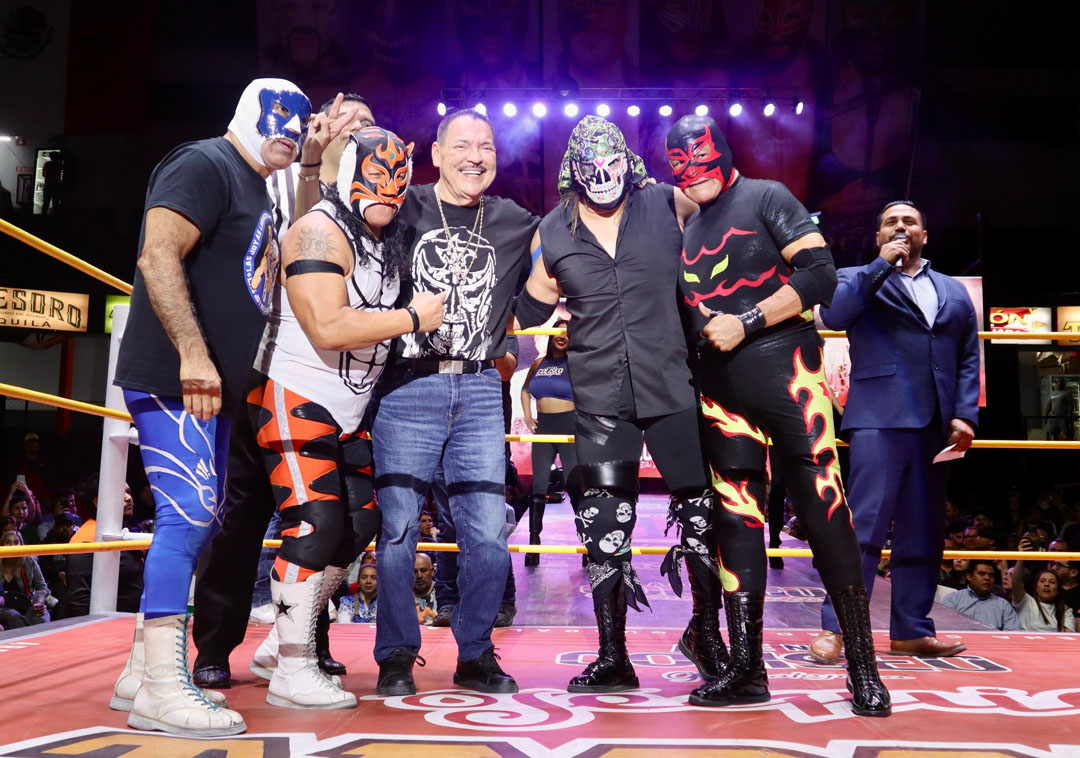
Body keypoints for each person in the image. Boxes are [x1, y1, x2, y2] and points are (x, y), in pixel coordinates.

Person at [108, 78, 312, 738]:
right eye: (281, 115)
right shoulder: (205, 162)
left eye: (302, 121)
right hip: (177, 379)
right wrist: (194, 356)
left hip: (213, 389)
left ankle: (142, 672)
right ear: (248, 107)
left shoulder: (259, 186)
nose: (292, 128)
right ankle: (164, 689)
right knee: (189, 516)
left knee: (198, 520)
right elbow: (157, 254)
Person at [666, 114, 889, 716]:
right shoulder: (683, 229)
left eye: (701, 154)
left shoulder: (766, 194)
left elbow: (820, 274)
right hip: (719, 394)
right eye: (678, 159)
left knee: (824, 513)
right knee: (737, 524)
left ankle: (863, 670)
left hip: (790, 375)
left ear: (723, 150)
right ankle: (746, 669)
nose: (692, 167)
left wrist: (748, 321)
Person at [515, 115, 728, 695]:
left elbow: (723, 221)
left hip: (670, 385)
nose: (605, 177)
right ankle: (614, 656)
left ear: (627, 162)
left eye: (613, 166)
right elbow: (529, 310)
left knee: (701, 514)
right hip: (600, 394)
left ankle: (707, 635)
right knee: (604, 527)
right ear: (574, 172)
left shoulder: (665, 202)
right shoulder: (553, 230)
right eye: (593, 170)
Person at [244, 125, 441, 710]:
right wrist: (411, 317)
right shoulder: (317, 232)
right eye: (376, 176)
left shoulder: (381, 237)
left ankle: (288, 640)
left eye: (399, 178)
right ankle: (293, 670)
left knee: (359, 525)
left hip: (350, 406)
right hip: (296, 393)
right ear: (346, 173)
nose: (389, 189)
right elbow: (327, 326)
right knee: (315, 525)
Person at [190, 93, 368, 690]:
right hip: (270, 370)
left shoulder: (384, 189)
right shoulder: (290, 171)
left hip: (345, 385)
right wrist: (314, 162)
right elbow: (303, 238)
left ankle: (301, 641)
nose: (362, 129)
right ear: (321, 124)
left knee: (338, 518)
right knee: (245, 515)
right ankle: (213, 645)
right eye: (352, 119)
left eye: (370, 123)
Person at [371, 108, 537, 697]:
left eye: (486, 146)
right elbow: (336, 211)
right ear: (434, 153)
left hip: (479, 388)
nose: (476, 156)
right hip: (406, 383)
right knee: (396, 530)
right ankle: (395, 653)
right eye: (462, 144)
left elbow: (563, 250)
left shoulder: (515, 220)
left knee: (490, 532)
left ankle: (476, 652)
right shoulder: (400, 205)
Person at [811, 199, 980, 662]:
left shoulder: (953, 291)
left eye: (911, 221)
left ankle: (911, 629)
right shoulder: (856, 277)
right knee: (863, 528)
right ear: (879, 235)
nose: (901, 227)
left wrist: (965, 414)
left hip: (936, 426)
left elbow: (968, 355)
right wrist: (879, 267)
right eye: (891, 222)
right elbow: (838, 314)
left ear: (926, 235)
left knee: (923, 531)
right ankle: (839, 629)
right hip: (877, 420)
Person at [520, 319, 577, 567]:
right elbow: (524, 389)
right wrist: (528, 415)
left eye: (567, 333)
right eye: (558, 331)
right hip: (544, 428)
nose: (562, 336)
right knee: (538, 487)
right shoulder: (538, 363)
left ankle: (588, 544)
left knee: (576, 487)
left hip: (570, 428)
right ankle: (533, 546)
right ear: (551, 334)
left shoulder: (575, 363)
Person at [941, 561, 1020, 630]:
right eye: (982, 574)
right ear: (969, 576)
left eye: (991, 575)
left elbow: (1013, 634)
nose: (987, 578)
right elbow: (943, 628)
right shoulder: (953, 599)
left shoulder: (1003, 605)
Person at [1008, 561, 1077, 632]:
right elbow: (1016, 583)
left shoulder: (1065, 611)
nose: (1046, 584)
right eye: (1042, 581)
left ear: (1058, 591)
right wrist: (1020, 558)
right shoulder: (1026, 602)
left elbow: (1068, 636)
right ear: (1036, 587)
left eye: (1052, 582)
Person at [0, 529, 51, 625]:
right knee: (14, 618)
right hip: (3, 607)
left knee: (40, 618)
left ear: (21, 545)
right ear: (2, 546)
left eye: (16, 542)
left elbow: (42, 587)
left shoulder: (29, 561)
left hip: (27, 603)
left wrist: (39, 603)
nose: (12, 546)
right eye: (8, 542)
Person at [413, 553, 437, 624]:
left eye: (423, 570)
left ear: (432, 571)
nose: (419, 576)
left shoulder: (443, 593)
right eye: (414, 572)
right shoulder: (401, 595)